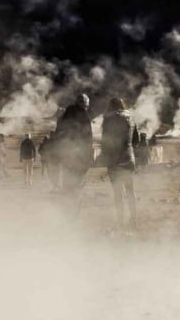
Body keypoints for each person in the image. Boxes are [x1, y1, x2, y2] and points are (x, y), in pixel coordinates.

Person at [99, 97, 137, 227]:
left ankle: (120, 220)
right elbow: (136, 140)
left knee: (117, 192)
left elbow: (105, 142)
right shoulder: (130, 118)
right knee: (130, 189)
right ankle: (133, 219)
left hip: (114, 160)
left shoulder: (108, 119)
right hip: (128, 158)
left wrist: (104, 157)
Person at [53, 94, 94, 193]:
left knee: (67, 178)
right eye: (86, 105)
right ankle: (74, 201)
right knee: (76, 179)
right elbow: (88, 137)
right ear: (85, 104)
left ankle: (66, 203)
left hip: (65, 151)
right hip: (78, 153)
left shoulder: (66, 114)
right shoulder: (84, 116)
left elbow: (58, 130)